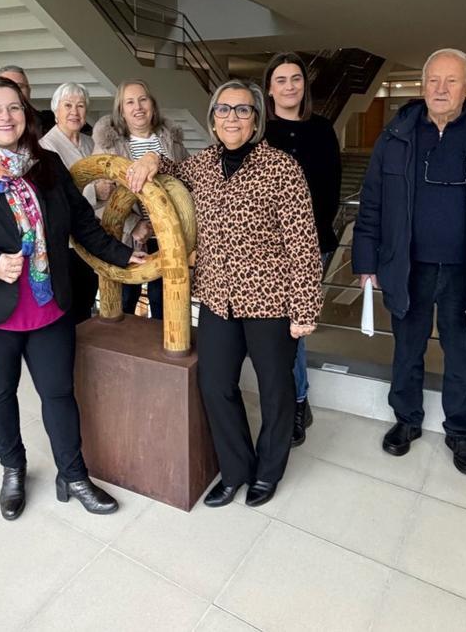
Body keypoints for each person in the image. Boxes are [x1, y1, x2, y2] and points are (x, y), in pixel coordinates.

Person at [0, 76, 145, 520]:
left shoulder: (46, 164)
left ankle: (73, 475)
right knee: (0, 392)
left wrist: (122, 255)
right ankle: (13, 468)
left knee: (59, 392)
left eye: (15, 108)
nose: (6, 117)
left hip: (47, 303)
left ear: (27, 114)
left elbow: (82, 222)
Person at [128, 79, 322, 509]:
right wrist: (152, 159)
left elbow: (303, 245)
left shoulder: (282, 168)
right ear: (213, 119)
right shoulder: (204, 164)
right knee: (215, 385)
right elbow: (172, 173)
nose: (232, 118)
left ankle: (267, 472)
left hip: (270, 301)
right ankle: (236, 471)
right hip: (218, 297)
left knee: (275, 391)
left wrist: (304, 308)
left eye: (242, 110)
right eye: (223, 109)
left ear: (256, 120)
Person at [352, 48, 466, 476]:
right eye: (433, 80)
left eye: (451, 80)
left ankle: (460, 432)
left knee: (462, 353)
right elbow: (373, 202)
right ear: (422, 85)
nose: (441, 89)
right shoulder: (397, 134)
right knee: (407, 349)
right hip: (407, 266)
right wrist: (366, 261)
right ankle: (406, 419)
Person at [263, 51, 342, 447]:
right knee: (280, 328)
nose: (289, 86)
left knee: (295, 324)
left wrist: (303, 242)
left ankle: (296, 403)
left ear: (304, 86)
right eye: (281, 79)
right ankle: (292, 399)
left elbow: (331, 192)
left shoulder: (322, 129)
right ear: (269, 88)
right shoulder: (259, 131)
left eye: (296, 79)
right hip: (265, 250)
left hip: (312, 246)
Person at [92, 79, 189, 319]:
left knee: (165, 304)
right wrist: (133, 224)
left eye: (143, 99)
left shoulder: (172, 141)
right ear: (121, 111)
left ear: (152, 105)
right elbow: (98, 198)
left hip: (169, 237)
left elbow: (188, 183)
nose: (138, 107)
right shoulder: (108, 145)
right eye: (130, 102)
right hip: (128, 241)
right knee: (125, 301)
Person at [39, 82, 100, 323]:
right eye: (68, 105)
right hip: (66, 241)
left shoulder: (91, 143)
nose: (74, 111)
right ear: (56, 111)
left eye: (80, 106)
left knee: (87, 297)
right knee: (70, 305)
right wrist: (96, 191)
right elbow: (57, 194)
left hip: (92, 233)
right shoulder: (46, 146)